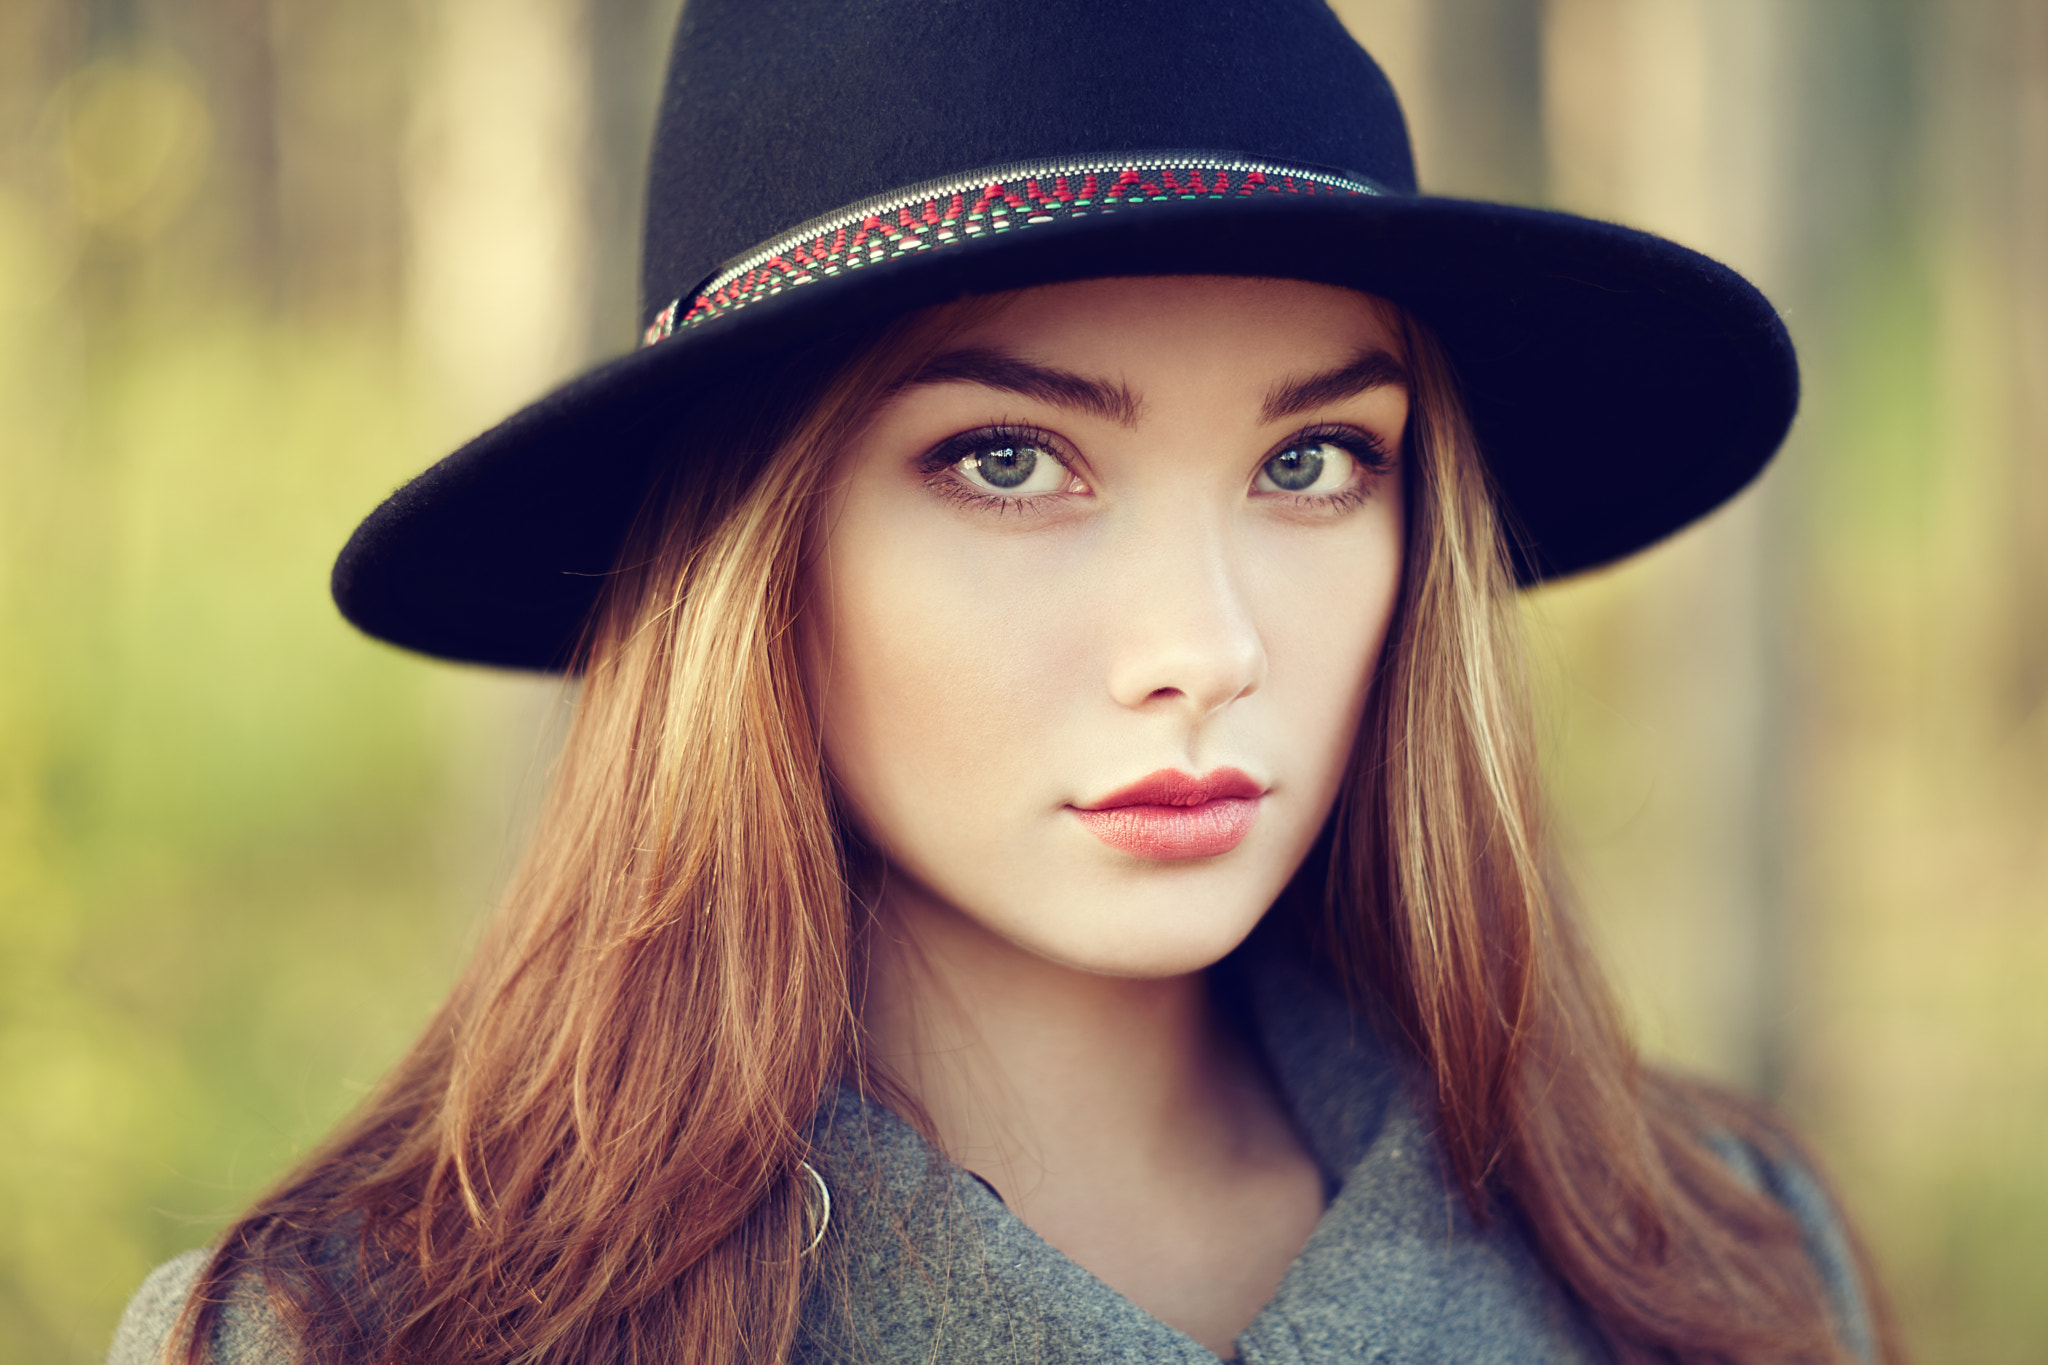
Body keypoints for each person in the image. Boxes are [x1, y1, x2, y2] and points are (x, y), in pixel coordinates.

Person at [110, 1, 1899, 1362]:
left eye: (1314, 462)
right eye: (1010, 462)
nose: (1205, 647)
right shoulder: (351, 1337)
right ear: (755, 554)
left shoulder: (1715, 1263)